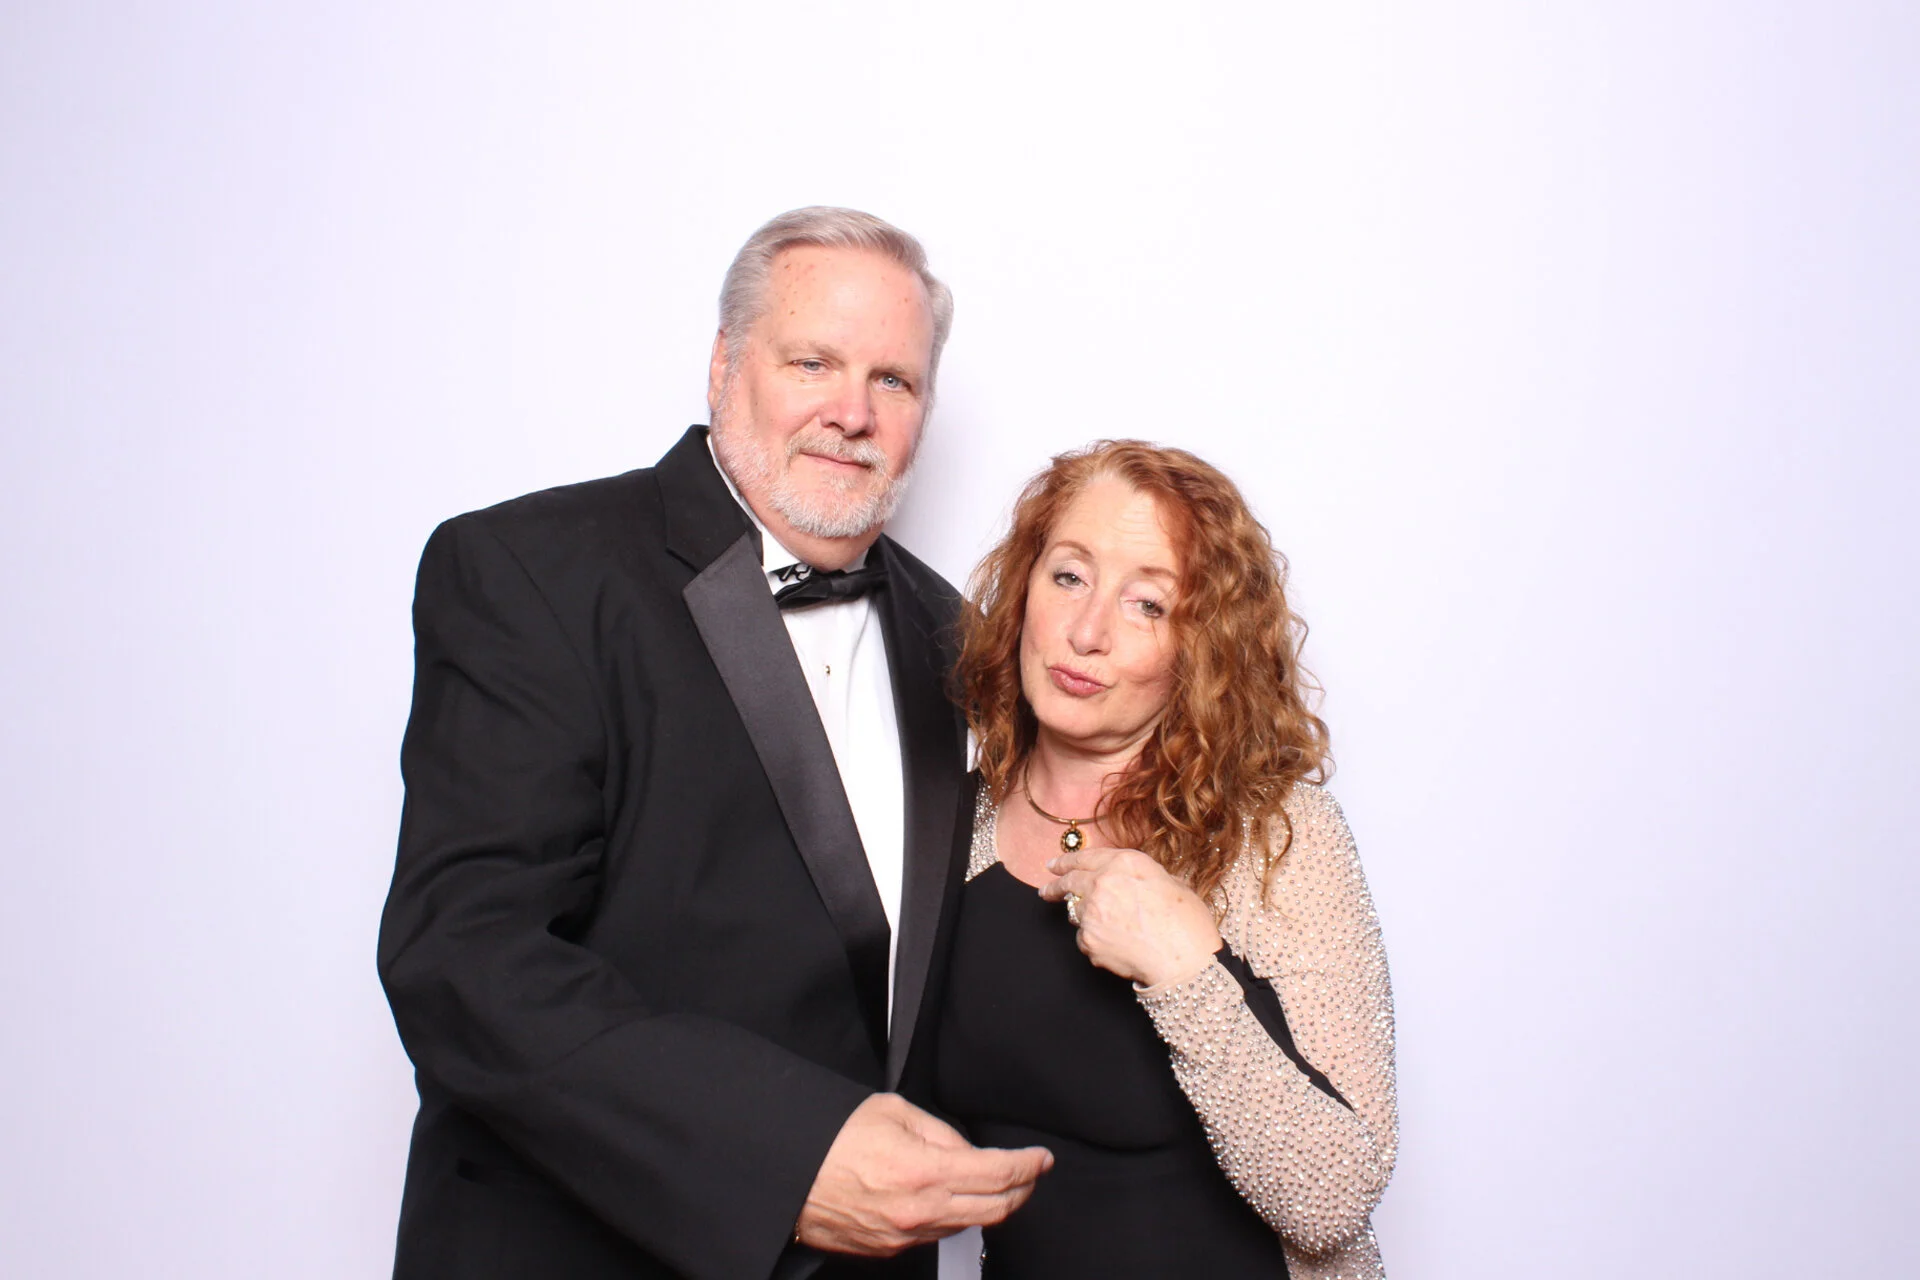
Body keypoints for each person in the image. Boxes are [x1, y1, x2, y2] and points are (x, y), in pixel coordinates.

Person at [377, 207, 1051, 1280]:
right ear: (723, 365)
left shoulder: (957, 637)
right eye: (812, 362)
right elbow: (465, 960)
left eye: (893, 380)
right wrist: (788, 1156)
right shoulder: (530, 570)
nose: (852, 413)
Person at [933, 442, 1397, 1278]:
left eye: (1147, 604)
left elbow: (1332, 1197)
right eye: (1068, 577)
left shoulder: (1278, 837)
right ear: (1023, 590)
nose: (1087, 632)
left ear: (1201, 645)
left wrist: (1186, 969)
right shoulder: (945, 827)